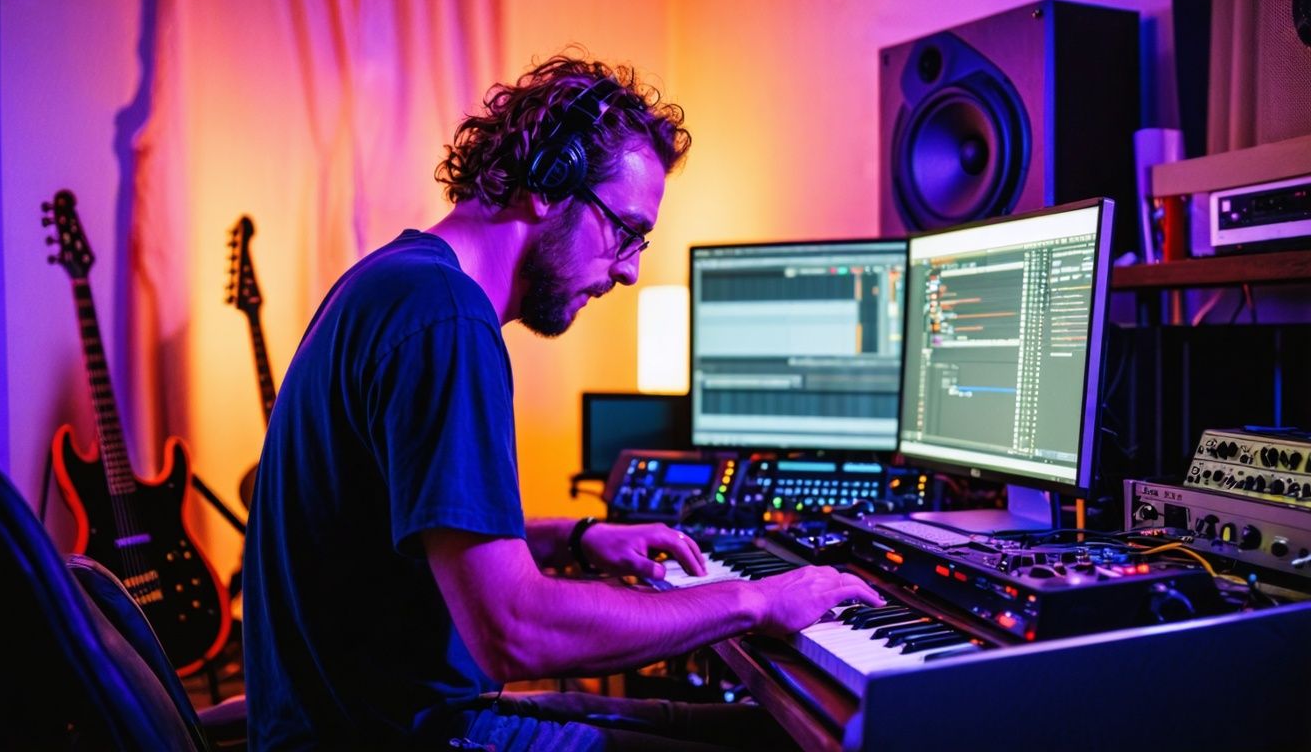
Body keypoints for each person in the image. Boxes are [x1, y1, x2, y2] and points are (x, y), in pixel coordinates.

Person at [242, 52, 883, 751]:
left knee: (772, 735)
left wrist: (577, 536)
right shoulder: (445, 318)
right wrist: (755, 599)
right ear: (549, 183)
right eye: (627, 231)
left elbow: (412, 533)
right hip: (400, 733)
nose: (632, 270)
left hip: (366, 717)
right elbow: (513, 629)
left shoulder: (392, 283)